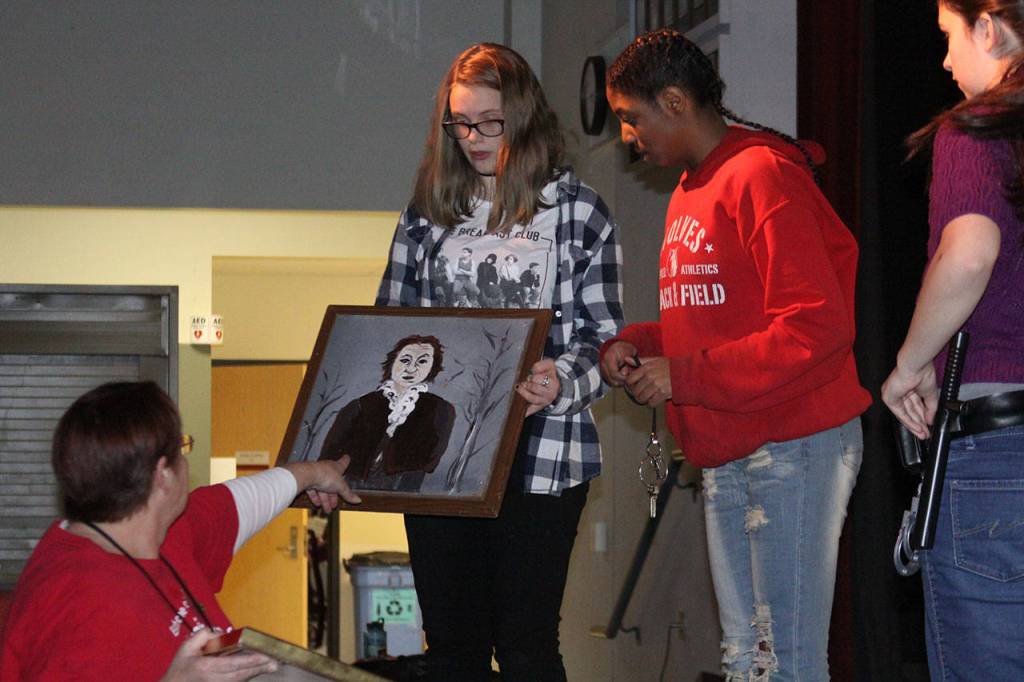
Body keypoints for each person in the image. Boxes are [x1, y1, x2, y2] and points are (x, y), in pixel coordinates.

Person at [599, 29, 871, 681]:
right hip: (732, 448)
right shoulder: (691, 190)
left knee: (784, 657)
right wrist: (640, 344)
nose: (628, 137)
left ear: (673, 101)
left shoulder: (762, 174)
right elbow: (712, 329)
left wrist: (684, 375)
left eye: (631, 119)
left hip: (794, 443)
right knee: (746, 655)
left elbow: (816, 326)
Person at [375, 42, 623, 681]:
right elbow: (389, 331)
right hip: (438, 453)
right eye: (460, 122)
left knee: (526, 648)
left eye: (490, 121)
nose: (474, 137)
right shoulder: (427, 218)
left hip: (542, 456)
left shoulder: (576, 213)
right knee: (453, 652)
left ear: (524, 117)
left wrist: (560, 379)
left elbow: (604, 340)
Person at [0, 381, 361, 681]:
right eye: (181, 449)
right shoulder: (75, 606)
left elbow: (242, 502)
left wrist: (312, 473)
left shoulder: (159, 532)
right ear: (163, 474)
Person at [881, 2, 1024, 679]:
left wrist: (908, 365)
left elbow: (969, 254)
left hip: (1000, 455)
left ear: (988, 27)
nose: (943, 61)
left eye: (947, 35)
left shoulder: (980, 128)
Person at [319, 335, 456, 492]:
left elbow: (431, 458)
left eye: (422, 362)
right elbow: (330, 454)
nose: (411, 368)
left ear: (432, 368)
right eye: (405, 360)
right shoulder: (360, 405)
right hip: (351, 487)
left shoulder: (441, 409)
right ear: (393, 361)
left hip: (405, 488)